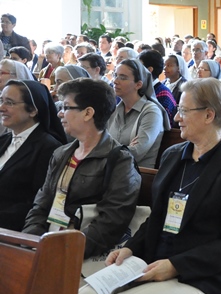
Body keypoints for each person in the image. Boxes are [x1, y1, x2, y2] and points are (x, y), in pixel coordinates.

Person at [75, 78, 221, 294]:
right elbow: (157, 217)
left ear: (208, 115)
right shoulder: (173, 156)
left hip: (201, 275)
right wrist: (130, 248)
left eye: (183, 111)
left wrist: (175, 265)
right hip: (154, 261)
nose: (177, 118)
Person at [22, 78, 140, 259]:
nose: (60, 113)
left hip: (82, 253)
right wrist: (31, 242)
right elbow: (41, 204)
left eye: (67, 107)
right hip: (47, 244)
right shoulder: (61, 154)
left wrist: (64, 252)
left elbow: (111, 222)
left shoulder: (119, 159)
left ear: (88, 113)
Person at [0, 80, 65, 231]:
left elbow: (37, 202)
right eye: (1, 100)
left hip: (13, 229)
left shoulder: (49, 148)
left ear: (33, 110)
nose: (2, 108)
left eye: (9, 103)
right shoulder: (3, 140)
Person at [107, 59, 171, 168]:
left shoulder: (151, 112)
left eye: (122, 77)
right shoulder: (115, 110)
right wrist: (124, 148)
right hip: (111, 171)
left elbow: (135, 153)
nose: (115, 81)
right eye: (115, 75)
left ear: (138, 85)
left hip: (137, 176)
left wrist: (106, 149)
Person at [138, 50, 178, 123]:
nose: (134, 70)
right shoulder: (139, 89)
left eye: (138, 67)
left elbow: (159, 125)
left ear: (149, 70)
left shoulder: (163, 94)